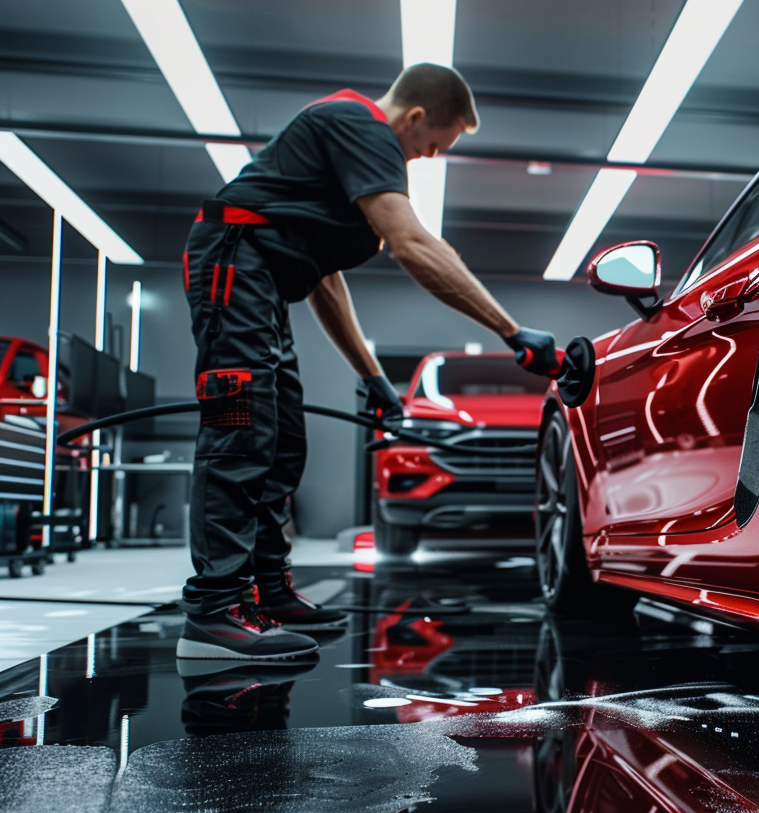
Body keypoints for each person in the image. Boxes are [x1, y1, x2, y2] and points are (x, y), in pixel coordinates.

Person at [176, 63, 559, 661]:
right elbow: (413, 243)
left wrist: (373, 376)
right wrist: (512, 333)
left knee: (283, 444)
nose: (428, 158)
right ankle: (213, 613)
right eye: (433, 145)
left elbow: (326, 284)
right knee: (239, 433)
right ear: (413, 117)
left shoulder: (339, 166)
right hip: (233, 267)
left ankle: (268, 594)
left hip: (264, 284)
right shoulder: (358, 123)